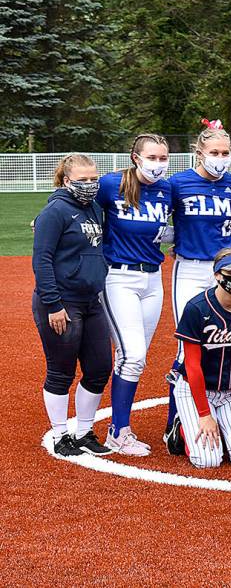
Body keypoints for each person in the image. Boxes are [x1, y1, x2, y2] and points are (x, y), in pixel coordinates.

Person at [164, 118, 231, 452]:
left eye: (225, 151)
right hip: (191, 269)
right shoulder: (178, 183)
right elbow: (152, 214)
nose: (220, 157)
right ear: (199, 152)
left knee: (229, 339)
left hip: (226, 269)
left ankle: (223, 412)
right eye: (214, 151)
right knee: (188, 345)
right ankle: (175, 421)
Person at [33, 153, 113, 457]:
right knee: (61, 371)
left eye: (94, 179)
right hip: (61, 302)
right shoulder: (55, 211)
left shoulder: (93, 207)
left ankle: (84, 432)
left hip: (91, 301)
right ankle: (59, 434)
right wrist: (53, 304)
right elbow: (41, 260)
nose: (91, 185)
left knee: (99, 367)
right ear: (67, 181)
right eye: (83, 180)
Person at [97, 133, 171, 456]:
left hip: (153, 280)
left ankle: (119, 425)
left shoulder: (168, 190)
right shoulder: (111, 185)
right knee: (133, 355)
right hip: (119, 278)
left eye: (162, 158)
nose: (157, 164)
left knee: (131, 358)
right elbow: (74, 201)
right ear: (135, 157)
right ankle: (118, 431)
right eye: (151, 157)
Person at [172, 248, 231, 468]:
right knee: (207, 461)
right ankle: (182, 428)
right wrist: (204, 414)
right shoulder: (197, 308)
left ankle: (223, 428)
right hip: (196, 391)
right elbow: (192, 365)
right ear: (217, 275)